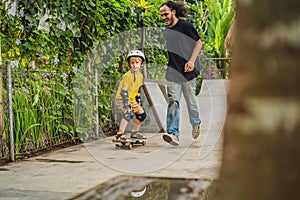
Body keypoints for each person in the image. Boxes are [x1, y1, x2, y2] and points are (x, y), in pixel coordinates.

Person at [159, 1, 202, 146]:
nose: (163, 17)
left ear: (173, 12)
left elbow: (199, 43)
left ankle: (196, 123)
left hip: (188, 71)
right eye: (161, 15)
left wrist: (191, 61)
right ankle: (173, 133)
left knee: (191, 102)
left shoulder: (185, 26)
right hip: (173, 71)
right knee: (173, 101)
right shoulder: (166, 31)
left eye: (165, 14)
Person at [115, 50, 147, 140]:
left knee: (142, 115)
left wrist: (138, 102)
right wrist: (126, 105)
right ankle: (120, 134)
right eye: (132, 62)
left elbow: (137, 90)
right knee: (128, 114)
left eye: (137, 62)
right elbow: (124, 91)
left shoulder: (140, 76)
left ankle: (134, 132)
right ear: (129, 64)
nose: (134, 65)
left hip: (132, 99)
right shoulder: (128, 76)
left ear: (141, 64)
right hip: (122, 98)